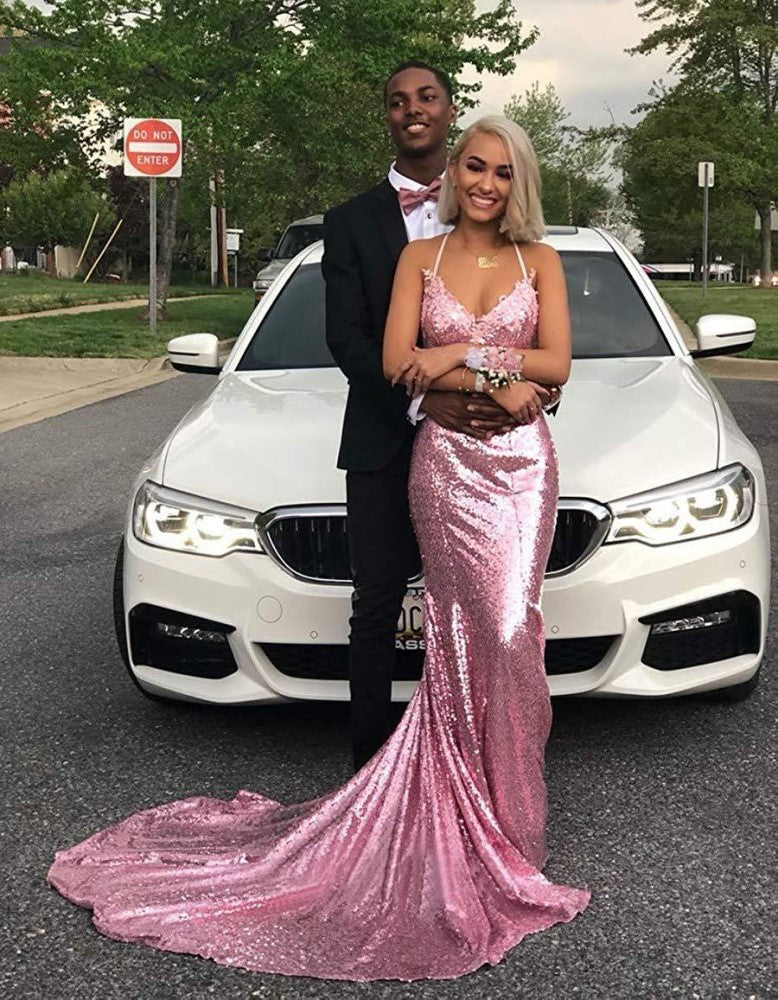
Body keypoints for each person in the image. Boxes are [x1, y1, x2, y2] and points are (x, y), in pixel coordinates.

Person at [323, 60, 560, 772]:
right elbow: (350, 341)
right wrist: (443, 393)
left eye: (426, 96)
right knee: (376, 610)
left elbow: (546, 356)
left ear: (449, 111)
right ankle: (371, 775)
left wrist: (487, 381)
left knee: (498, 619)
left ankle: (489, 771)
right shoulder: (350, 223)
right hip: (387, 436)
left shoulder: (527, 250)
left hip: (504, 447)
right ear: (388, 117)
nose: (412, 109)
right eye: (397, 101)